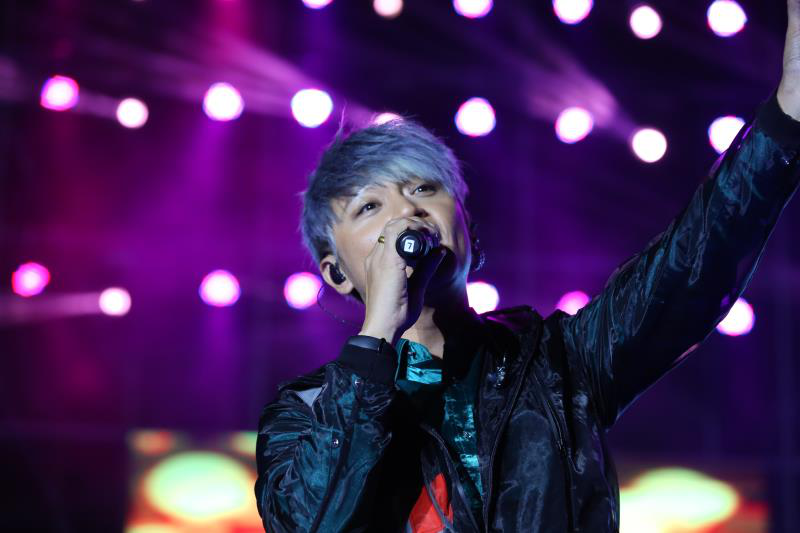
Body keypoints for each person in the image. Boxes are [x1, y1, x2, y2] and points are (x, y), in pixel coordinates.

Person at [254, 3, 800, 530]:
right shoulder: (306, 412)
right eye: (370, 207)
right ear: (336, 273)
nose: (407, 212)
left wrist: (789, 112)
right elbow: (310, 521)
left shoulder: (560, 364)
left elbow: (692, 264)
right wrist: (377, 337)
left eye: (423, 189)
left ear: (467, 226)